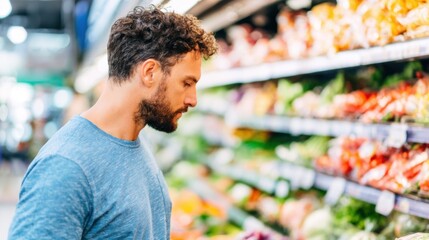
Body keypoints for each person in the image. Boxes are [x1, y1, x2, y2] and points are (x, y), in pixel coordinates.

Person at [9, 6, 217, 239]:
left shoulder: (133, 142)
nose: (193, 99)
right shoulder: (66, 167)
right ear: (150, 72)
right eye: (187, 83)